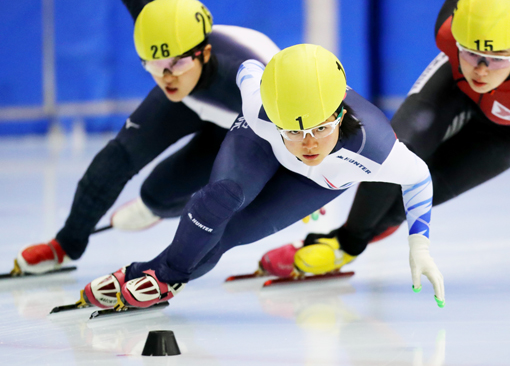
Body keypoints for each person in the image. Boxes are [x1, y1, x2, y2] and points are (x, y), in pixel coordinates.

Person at [260, 0, 510, 294]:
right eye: (472, 53)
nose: (481, 69)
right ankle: (347, 243)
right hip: (452, 90)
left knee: (416, 195)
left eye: (497, 59)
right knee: (395, 151)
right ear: (458, 37)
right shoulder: (449, 32)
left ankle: (351, 239)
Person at [82, 44, 446, 310]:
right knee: (223, 196)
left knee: (229, 237)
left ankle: (146, 271)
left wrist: (420, 246)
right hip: (261, 142)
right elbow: (250, 67)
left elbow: (418, 178)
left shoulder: (376, 148)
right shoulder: (261, 108)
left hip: (315, 182)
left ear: (339, 115)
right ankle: (163, 277)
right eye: (295, 131)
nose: (308, 144)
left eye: (320, 129)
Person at [12, 0, 280, 275]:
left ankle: (155, 210)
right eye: (154, 65)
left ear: (204, 53)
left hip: (243, 122)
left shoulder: (255, 76)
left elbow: (300, 127)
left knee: (158, 196)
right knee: (116, 158)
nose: (166, 76)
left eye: (177, 64)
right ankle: (65, 246)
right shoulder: (160, 37)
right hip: (190, 100)